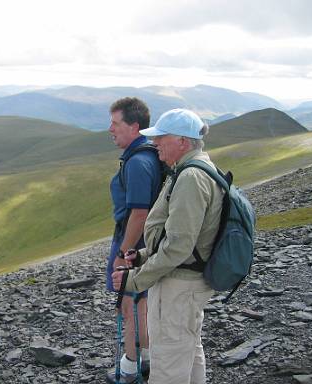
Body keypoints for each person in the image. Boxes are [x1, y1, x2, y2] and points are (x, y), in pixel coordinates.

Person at [112, 108, 223, 384]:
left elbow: (178, 247)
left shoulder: (190, 178)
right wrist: (142, 255)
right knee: (188, 350)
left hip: (178, 286)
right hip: (188, 282)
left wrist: (135, 280)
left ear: (183, 142)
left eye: (162, 137)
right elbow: (179, 238)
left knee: (167, 366)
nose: (155, 142)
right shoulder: (196, 168)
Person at [106, 97, 162, 383]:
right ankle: (148, 358)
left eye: (116, 123)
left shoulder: (138, 162)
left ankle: (130, 367)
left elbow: (139, 214)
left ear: (135, 126)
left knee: (130, 305)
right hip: (144, 245)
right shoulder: (148, 155)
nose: (110, 129)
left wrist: (122, 254)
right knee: (142, 304)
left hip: (134, 246)